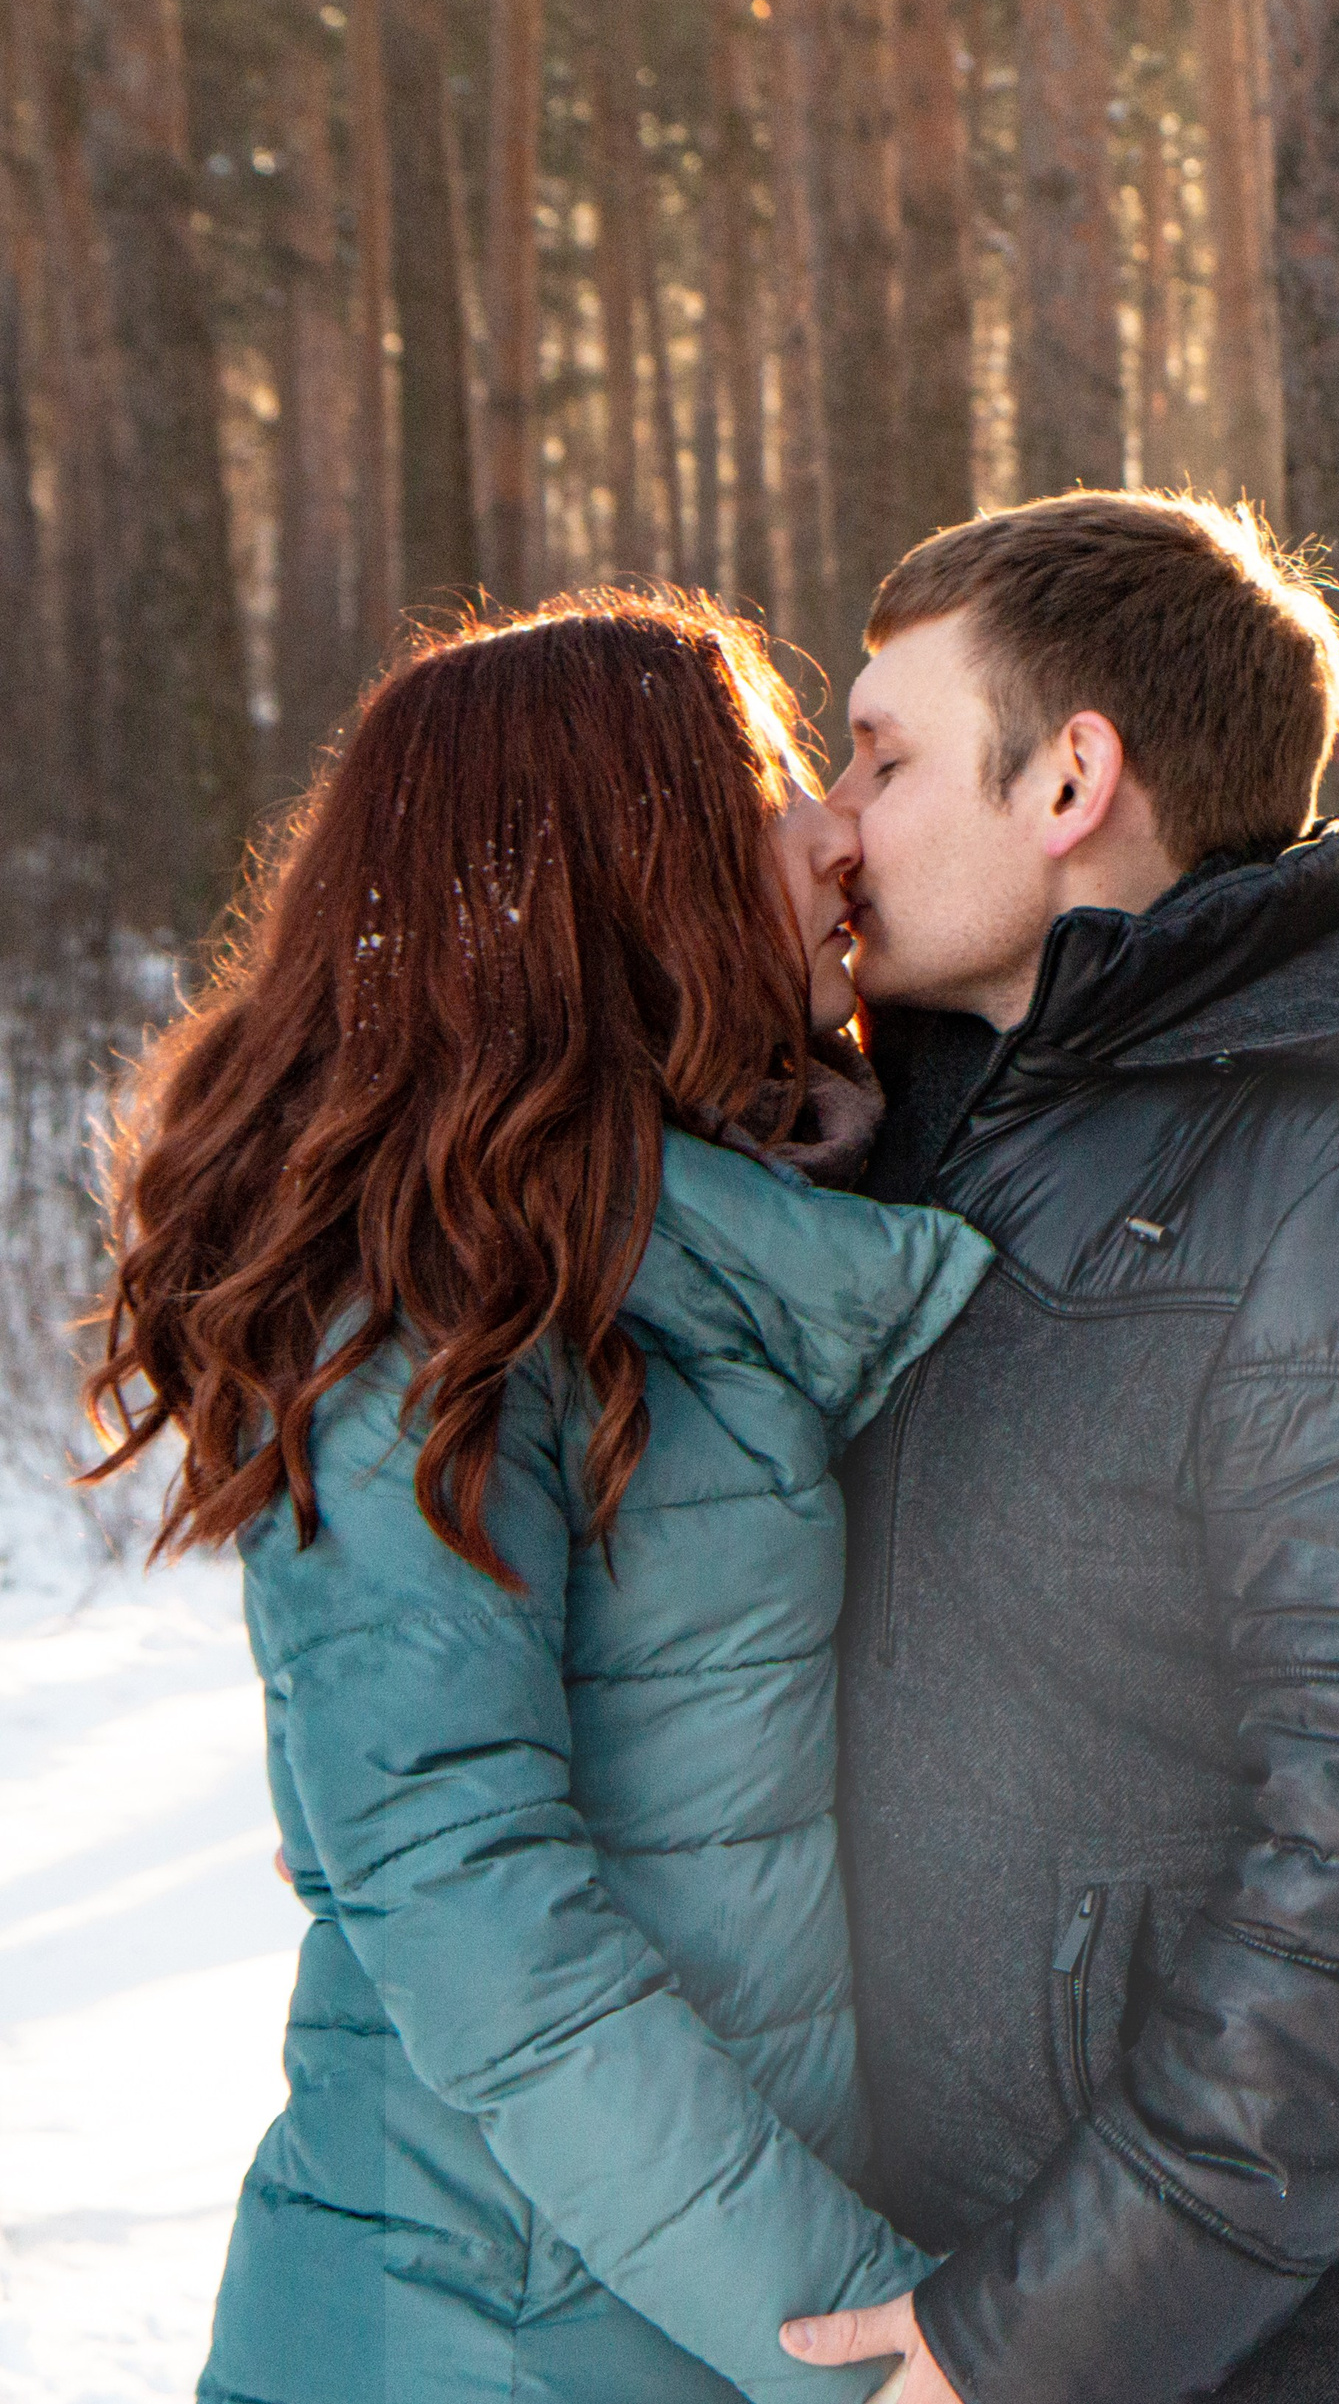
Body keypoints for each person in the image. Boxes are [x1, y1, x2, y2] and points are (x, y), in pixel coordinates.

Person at [82, 593, 991, 2404]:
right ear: (618, 876)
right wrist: (856, 2346)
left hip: (636, 2320)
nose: (831, 830)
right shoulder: (423, 1312)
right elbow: (481, 1920)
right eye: (760, 786)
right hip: (488, 2341)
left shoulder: (668, 1261)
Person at [782, 491, 1339, 2404]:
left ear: (1071, 775)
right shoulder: (942, 1144)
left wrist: (1042, 2331)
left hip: (1334, 2340)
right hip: (999, 2276)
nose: (836, 816)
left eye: (886, 754)